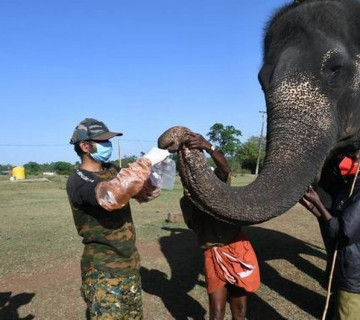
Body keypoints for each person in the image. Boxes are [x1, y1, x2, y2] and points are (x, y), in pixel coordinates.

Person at [66, 118, 169, 320]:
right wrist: (145, 161)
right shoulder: (78, 179)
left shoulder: (111, 169)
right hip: (102, 271)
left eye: (109, 140)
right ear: (85, 146)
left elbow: (141, 193)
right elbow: (110, 196)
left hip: (129, 265)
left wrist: (156, 174)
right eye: (103, 141)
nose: (108, 145)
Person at [180, 133, 260, 320]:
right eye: (187, 172)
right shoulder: (186, 202)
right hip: (213, 253)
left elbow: (224, 167)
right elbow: (195, 226)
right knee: (216, 313)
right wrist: (194, 200)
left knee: (240, 312)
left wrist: (209, 147)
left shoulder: (217, 183)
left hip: (237, 249)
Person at [301, 149, 360, 320]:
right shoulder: (351, 185)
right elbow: (337, 220)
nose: (349, 160)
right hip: (346, 269)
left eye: (355, 157)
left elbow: (341, 232)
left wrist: (318, 203)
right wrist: (313, 208)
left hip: (353, 275)